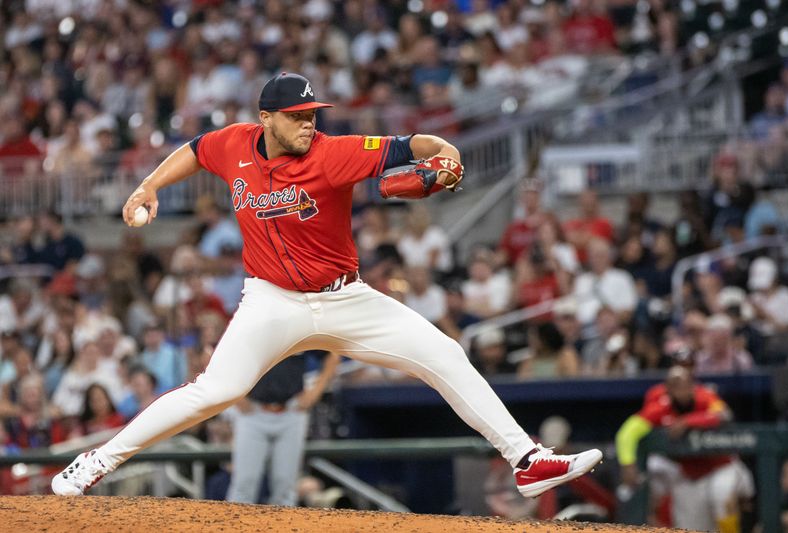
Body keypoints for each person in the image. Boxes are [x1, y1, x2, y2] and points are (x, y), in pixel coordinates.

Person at [52, 72, 601, 498]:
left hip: (346, 298)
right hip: (271, 300)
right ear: (265, 118)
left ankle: (526, 461)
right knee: (215, 391)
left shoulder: (334, 153)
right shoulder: (234, 144)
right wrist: (148, 185)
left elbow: (419, 145)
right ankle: (99, 460)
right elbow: (195, 150)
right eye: (296, 116)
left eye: (312, 113)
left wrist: (448, 157)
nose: (308, 123)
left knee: (446, 354)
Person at [615, 366, 754, 532]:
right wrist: (627, 463)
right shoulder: (660, 409)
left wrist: (688, 421)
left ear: (692, 386)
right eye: (675, 385)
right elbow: (627, 433)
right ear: (667, 390)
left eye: (685, 384)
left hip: (722, 467)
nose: (681, 390)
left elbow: (724, 415)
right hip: (690, 474)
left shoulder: (705, 397)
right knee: (690, 528)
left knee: (721, 495)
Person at [227, 351, 339, 506]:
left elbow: (331, 356)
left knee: (285, 487)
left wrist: (315, 392)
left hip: (291, 411)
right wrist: (235, 395)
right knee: (244, 483)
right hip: (254, 411)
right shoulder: (254, 327)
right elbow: (221, 355)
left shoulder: (299, 328)